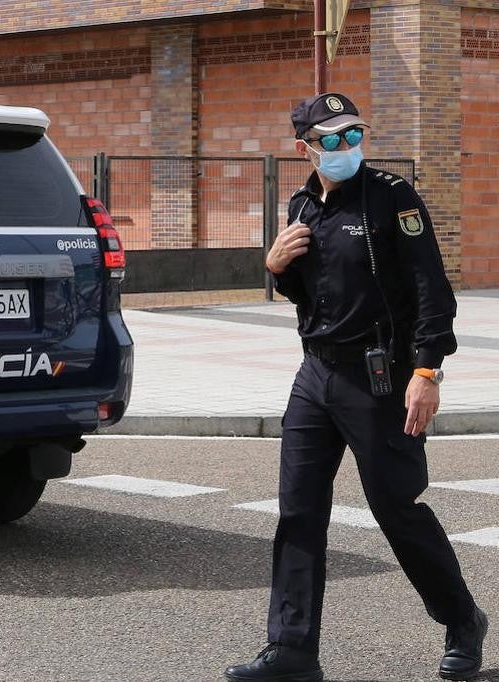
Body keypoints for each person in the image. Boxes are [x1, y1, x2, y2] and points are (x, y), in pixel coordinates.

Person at [224, 92, 487, 682]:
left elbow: (430, 289)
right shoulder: (301, 206)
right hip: (315, 373)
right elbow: (313, 297)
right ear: (305, 149)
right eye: (332, 140)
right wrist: (275, 268)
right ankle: (292, 649)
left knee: (396, 507)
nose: (347, 147)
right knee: (298, 510)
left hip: (381, 378)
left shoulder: (392, 198)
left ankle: (462, 619)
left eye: (353, 135)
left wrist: (426, 370)